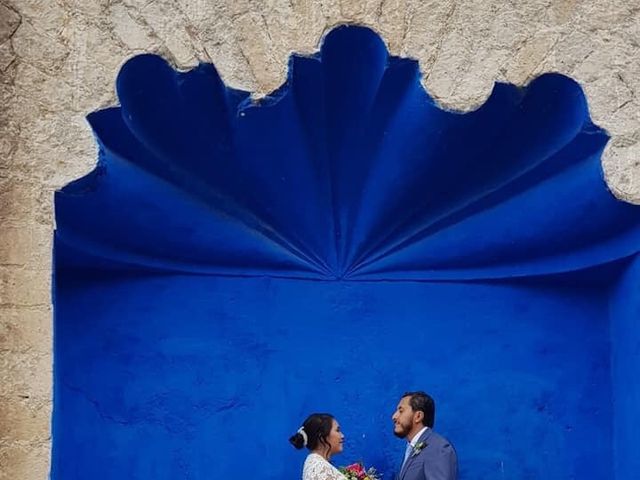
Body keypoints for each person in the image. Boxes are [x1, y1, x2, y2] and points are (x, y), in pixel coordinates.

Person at [392, 391, 457, 480]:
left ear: (418, 416)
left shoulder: (438, 448)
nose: (394, 416)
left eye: (401, 411)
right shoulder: (411, 448)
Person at [290, 413, 346, 480]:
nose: (342, 436)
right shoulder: (320, 469)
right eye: (337, 430)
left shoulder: (316, 463)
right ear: (321, 436)